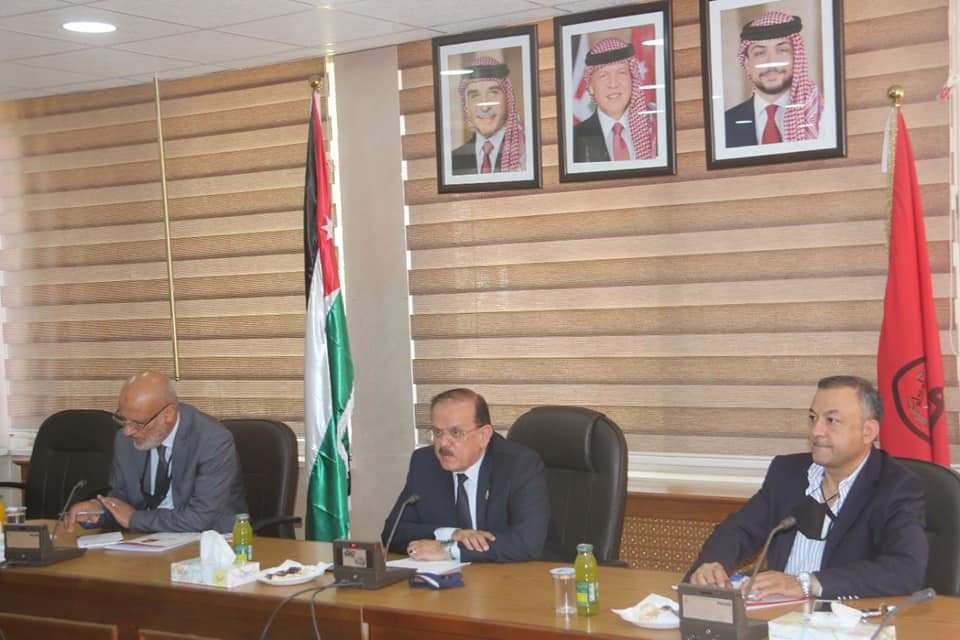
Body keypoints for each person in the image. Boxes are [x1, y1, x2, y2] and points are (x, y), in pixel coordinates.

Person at [685, 376, 928, 599]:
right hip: (776, 613)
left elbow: (906, 569)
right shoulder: (787, 473)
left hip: (845, 618)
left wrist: (806, 583)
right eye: (813, 418)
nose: (816, 431)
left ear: (868, 431)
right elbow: (738, 530)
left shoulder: (896, 486)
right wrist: (713, 564)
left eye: (831, 420)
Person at [66, 371, 247, 533]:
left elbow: (200, 518)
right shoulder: (125, 439)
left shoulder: (212, 440)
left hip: (208, 542)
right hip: (147, 541)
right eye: (123, 419)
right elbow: (122, 500)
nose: (127, 431)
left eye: (138, 423)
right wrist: (99, 511)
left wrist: (134, 519)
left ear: (168, 414)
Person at [381, 388, 549, 562]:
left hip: (517, 574)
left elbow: (527, 543)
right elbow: (392, 533)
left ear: (484, 436)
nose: (443, 443)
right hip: (451, 576)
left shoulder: (519, 465)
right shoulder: (425, 463)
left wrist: (448, 549)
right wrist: (451, 534)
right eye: (438, 432)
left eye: (456, 433)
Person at [724, 10, 823, 147]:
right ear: (747, 64)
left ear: (796, 57)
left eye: (782, 50)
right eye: (760, 53)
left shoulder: (819, 115)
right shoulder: (725, 123)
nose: (771, 62)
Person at [573, 37, 656, 163]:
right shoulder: (575, 138)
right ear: (591, 87)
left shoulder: (656, 127)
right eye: (603, 75)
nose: (613, 84)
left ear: (633, 79)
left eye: (621, 73)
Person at [451, 56, 526, 175]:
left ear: (508, 100)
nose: (485, 107)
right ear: (466, 107)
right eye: (475, 96)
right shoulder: (453, 161)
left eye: (493, 93)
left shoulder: (524, 153)